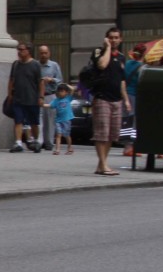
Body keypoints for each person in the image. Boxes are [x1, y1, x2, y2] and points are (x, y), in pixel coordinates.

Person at [82, 26, 131, 175]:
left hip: (117, 100)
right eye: (111, 38)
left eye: (116, 38)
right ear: (106, 39)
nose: (114, 40)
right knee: (101, 133)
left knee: (112, 134)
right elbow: (102, 65)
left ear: (121, 39)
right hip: (102, 97)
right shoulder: (99, 52)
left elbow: (122, 81)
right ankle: (103, 165)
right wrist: (108, 48)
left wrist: (126, 100)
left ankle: (101, 164)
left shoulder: (122, 57)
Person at [6, 41, 44, 152]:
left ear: (28, 51)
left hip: (32, 99)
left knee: (34, 122)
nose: (19, 52)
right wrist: (9, 95)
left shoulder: (35, 65)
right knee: (18, 121)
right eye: (19, 49)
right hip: (18, 98)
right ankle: (18, 142)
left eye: (22, 50)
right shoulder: (16, 64)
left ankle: (36, 141)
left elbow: (40, 82)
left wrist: (41, 97)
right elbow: (11, 80)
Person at [37, 44, 63, 149]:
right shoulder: (36, 65)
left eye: (45, 53)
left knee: (50, 120)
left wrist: (51, 80)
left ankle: (49, 142)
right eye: (41, 53)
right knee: (39, 119)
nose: (43, 55)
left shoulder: (54, 65)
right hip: (38, 95)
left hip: (50, 95)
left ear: (49, 53)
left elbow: (60, 80)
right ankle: (39, 142)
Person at [47, 82, 74, 155]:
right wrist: (42, 104)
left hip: (67, 120)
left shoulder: (68, 98)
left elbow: (72, 89)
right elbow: (50, 105)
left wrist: (65, 84)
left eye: (62, 91)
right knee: (58, 134)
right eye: (59, 91)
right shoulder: (56, 100)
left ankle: (69, 147)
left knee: (67, 135)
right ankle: (57, 149)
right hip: (58, 120)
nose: (60, 93)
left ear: (66, 92)